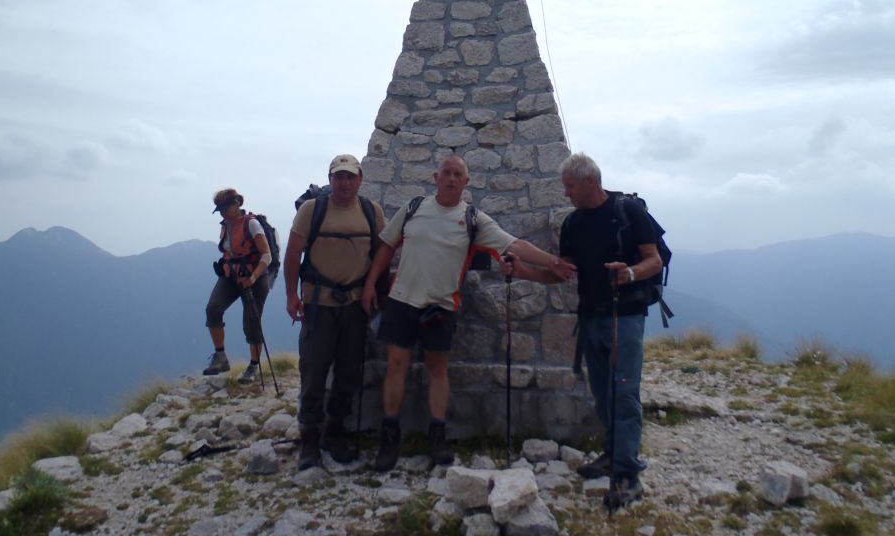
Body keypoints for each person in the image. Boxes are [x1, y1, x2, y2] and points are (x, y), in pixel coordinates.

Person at [360, 154, 575, 472]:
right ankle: (390, 437)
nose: (450, 178)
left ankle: (437, 435)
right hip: (402, 300)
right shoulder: (414, 208)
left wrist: (551, 262)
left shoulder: (474, 219)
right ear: (436, 177)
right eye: (446, 172)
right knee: (395, 367)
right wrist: (369, 286)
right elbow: (387, 247)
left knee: (438, 369)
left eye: (457, 174)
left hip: (442, 306)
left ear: (466, 181)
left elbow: (514, 245)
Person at [504, 153, 662, 507]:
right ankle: (613, 454)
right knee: (603, 393)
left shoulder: (628, 212)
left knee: (623, 392)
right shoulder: (573, 224)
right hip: (591, 315)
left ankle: (626, 474)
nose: (565, 193)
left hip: (627, 316)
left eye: (569, 186)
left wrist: (631, 273)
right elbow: (562, 272)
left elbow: (654, 260)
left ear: (590, 182)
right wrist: (523, 271)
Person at [283, 154, 385, 471]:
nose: (344, 182)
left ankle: (334, 431)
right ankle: (310, 439)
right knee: (313, 373)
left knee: (348, 371)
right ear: (330, 179)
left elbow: (382, 253)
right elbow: (292, 253)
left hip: (355, 305)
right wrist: (290, 295)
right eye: (338, 177)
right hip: (319, 306)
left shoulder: (372, 212)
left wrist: (374, 292)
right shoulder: (312, 210)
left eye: (350, 177)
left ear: (360, 179)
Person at [203, 188, 273, 384]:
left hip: (256, 278)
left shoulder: (252, 224)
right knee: (213, 308)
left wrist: (253, 277)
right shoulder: (226, 226)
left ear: (237, 204)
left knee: (252, 321)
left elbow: (266, 255)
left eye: (226, 207)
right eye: (220, 209)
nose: (223, 212)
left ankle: (253, 366)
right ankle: (220, 356)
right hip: (232, 276)